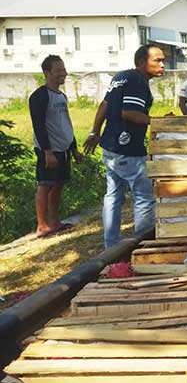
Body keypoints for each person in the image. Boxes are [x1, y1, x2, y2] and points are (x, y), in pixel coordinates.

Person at [83, 44, 165, 247]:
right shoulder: (138, 81)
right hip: (127, 149)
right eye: (157, 60)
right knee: (144, 197)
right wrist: (159, 122)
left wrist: (95, 132)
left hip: (110, 147)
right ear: (140, 62)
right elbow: (128, 113)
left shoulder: (120, 77)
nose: (163, 64)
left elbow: (105, 104)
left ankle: (110, 246)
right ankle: (144, 243)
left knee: (113, 196)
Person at [28, 55, 84, 236]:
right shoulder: (40, 96)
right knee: (45, 184)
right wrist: (47, 152)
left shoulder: (61, 96)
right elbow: (39, 125)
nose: (63, 73)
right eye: (58, 70)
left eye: (63, 69)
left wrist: (74, 148)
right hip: (49, 150)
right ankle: (42, 225)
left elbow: (65, 123)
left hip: (64, 148)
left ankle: (54, 220)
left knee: (59, 184)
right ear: (47, 73)